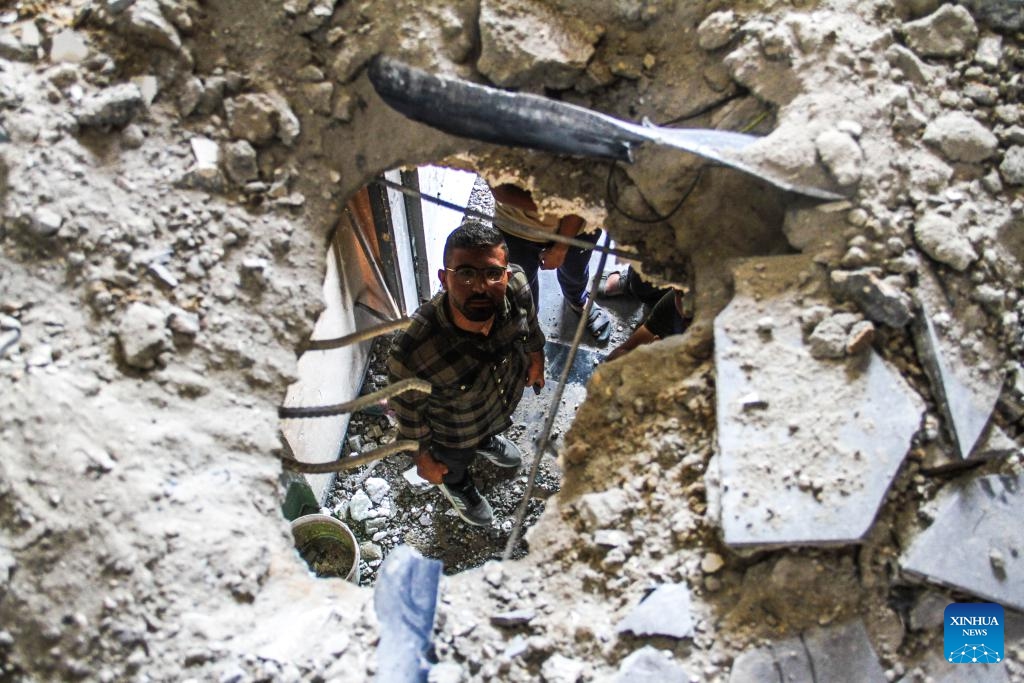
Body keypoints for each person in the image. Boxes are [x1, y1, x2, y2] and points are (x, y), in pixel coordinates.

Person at [387, 219, 546, 526]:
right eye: (466, 274)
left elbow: (531, 327)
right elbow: (410, 418)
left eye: (492, 273)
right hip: (453, 433)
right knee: (454, 465)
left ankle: (486, 440)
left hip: (497, 403)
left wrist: (536, 356)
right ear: (445, 279)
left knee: (489, 429)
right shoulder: (413, 351)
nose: (481, 286)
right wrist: (424, 460)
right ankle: (458, 486)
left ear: (506, 274)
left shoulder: (517, 285)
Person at [491, 183, 612, 344]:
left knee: (575, 271)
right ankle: (529, 319)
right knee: (521, 282)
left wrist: (561, 248)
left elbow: (588, 189)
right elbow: (501, 190)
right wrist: (570, 204)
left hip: (582, 225)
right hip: (516, 225)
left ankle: (578, 300)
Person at [605, 288, 694, 362]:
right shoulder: (674, 303)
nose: (687, 308)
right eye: (680, 293)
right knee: (639, 285)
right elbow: (619, 355)